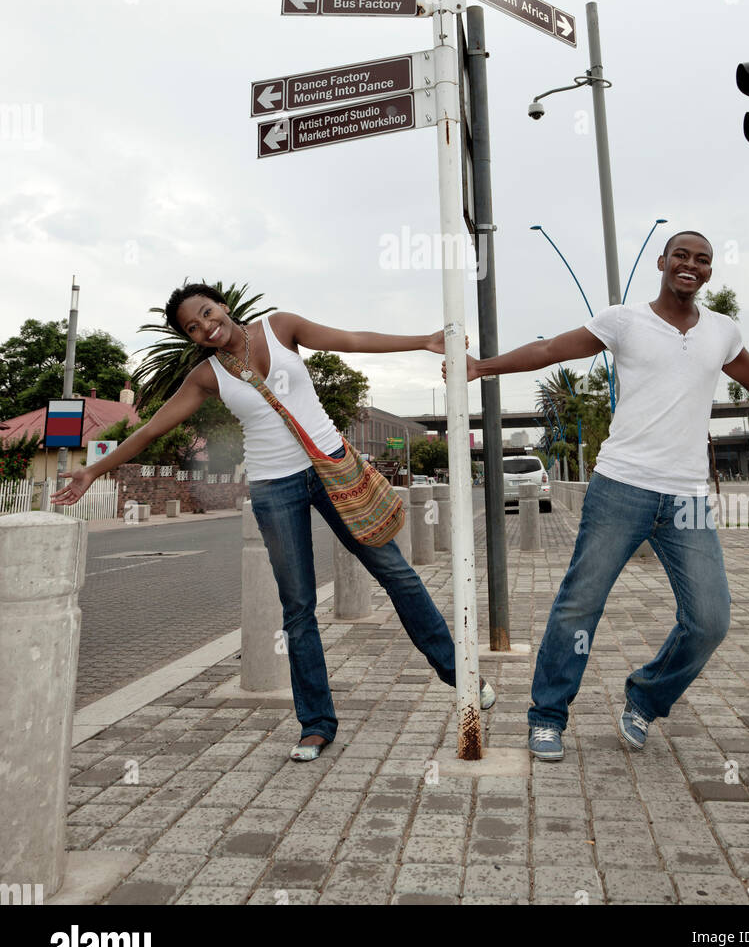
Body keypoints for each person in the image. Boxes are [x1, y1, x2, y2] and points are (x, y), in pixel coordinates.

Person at [53, 283, 495, 760]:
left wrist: (422, 341)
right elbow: (151, 428)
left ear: (223, 305)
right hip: (273, 486)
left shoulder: (280, 327)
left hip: (329, 469)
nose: (206, 327)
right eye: (193, 328)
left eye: (207, 313)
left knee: (397, 575)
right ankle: (316, 723)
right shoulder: (206, 376)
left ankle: (458, 674)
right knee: (298, 607)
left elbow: (351, 339)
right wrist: (94, 469)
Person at [455, 231, 749, 760]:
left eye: (702, 260)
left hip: (686, 499)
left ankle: (645, 700)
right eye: (681, 255)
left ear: (709, 273)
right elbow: (548, 350)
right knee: (579, 605)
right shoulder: (624, 321)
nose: (691, 264)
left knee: (710, 619)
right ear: (662, 262)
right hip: (621, 487)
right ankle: (547, 716)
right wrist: (482, 368)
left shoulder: (722, 332)